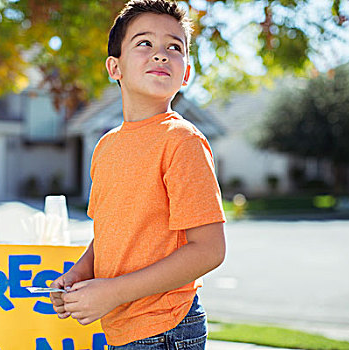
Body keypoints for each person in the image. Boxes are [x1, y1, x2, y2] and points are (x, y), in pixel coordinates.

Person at [50, 0, 226, 348]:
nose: (161, 54)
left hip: (167, 327)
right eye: (144, 43)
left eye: (174, 47)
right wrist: (79, 275)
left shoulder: (182, 141)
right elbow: (112, 234)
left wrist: (112, 291)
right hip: (121, 327)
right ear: (114, 67)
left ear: (186, 72)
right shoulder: (105, 147)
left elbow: (209, 250)